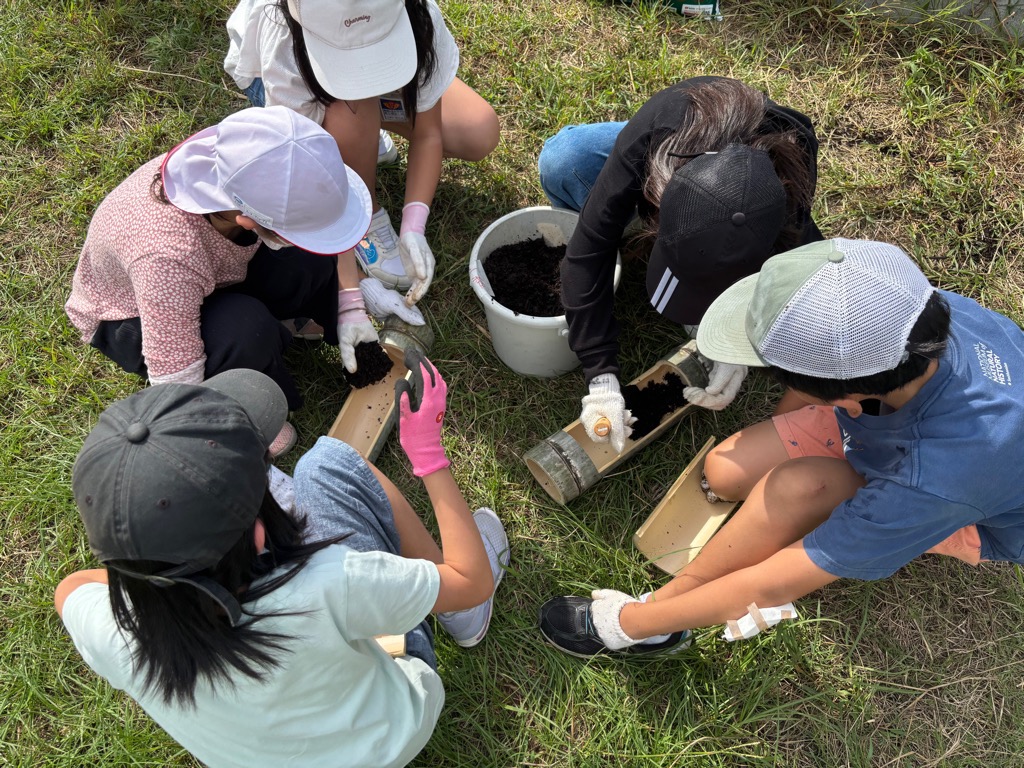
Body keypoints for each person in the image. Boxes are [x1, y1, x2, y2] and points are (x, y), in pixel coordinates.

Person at [538, 238, 1024, 657]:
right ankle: (671, 603)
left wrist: (628, 624)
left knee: (795, 486)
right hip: (902, 429)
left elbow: (774, 584)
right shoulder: (899, 306)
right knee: (728, 473)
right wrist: (782, 421)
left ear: (848, 397)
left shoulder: (936, 480)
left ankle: (660, 615)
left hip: (969, 507)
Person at [55, 358, 510, 767]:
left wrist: (156, 576)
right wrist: (429, 457)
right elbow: (472, 580)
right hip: (393, 737)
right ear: (257, 534)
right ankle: (460, 617)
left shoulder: (118, 636)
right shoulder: (327, 581)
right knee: (327, 462)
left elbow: (69, 589)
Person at [64, 106, 421, 458]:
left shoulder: (254, 158)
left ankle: (300, 324)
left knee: (306, 259)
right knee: (245, 329)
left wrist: (354, 300)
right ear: (248, 221)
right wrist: (223, 428)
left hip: (209, 271)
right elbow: (175, 380)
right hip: (133, 315)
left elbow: (323, 224)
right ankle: (249, 400)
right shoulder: (168, 256)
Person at [538, 76, 822, 453]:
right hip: (678, 133)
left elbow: (788, 280)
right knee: (565, 160)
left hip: (747, 170)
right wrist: (601, 376)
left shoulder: (790, 188)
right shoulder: (662, 131)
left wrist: (736, 342)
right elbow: (588, 249)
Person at [225, 0, 500, 304]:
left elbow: (428, 134)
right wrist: (352, 289)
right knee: (353, 114)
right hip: (286, 77)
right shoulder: (283, 32)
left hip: (353, 81)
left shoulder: (417, 13)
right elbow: (303, 165)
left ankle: (357, 144)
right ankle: (366, 212)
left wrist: (414, 224)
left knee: (477, 131)